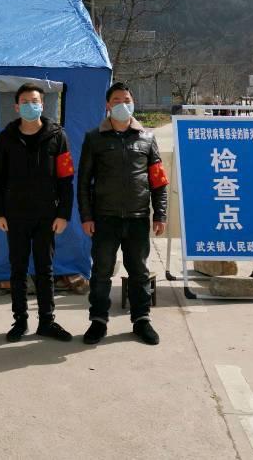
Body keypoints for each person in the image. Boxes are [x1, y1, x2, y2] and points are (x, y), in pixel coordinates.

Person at [77, 82, 169, 346]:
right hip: (104, 218)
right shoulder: (94, 138)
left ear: (133, 104)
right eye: (116, 100)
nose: (122, 104)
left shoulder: (147, 138)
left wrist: (160, 214)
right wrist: (86, 216)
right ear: (108, 105)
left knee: (139, 272)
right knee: (101, 272)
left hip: (137, 218)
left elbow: (158, 181)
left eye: (126, 100)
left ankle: (141, 320)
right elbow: (83, 182)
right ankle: (98, 320)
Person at [0, 82, 75, 342]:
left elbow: (66, 179)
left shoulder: (58, 136)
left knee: (45, 269)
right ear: (17, 107)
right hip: (15, 216)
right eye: (25, 102)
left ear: (43, 104)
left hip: (46, 216)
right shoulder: (6, 138)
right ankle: (20, 321)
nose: (31, 106)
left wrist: (63, 214)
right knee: (18, 269)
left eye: (35, 101)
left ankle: (47, 322)